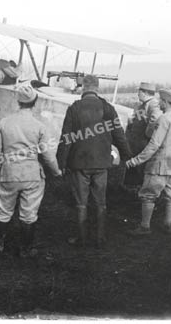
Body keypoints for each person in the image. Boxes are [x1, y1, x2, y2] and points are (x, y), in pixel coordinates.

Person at [56, 75, 131, 248]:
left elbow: (66, 139)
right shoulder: (108, 108)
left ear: (83, 88)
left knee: (81, 203)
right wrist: (128, 155)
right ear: (97, 88)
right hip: (101, 163)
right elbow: (119, 135)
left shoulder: (74, 108)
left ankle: (81, 238)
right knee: (100, 202)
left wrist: (61, 163)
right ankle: (100, 238)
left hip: (79, 163)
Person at [0, 85, 62, 257]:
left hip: (8, 172)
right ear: (34, 103)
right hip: (32, 175)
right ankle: (26, 249)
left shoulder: (3, 123)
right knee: (29, 214)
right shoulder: (40, 127)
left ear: (18, 101)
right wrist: (56, 172)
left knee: (3, 211)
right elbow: (48, 156)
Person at [125, 88, 171, 236]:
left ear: (165, 102)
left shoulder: (164, 119)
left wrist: (135, 161)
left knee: (148, 195)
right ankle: (167, 226)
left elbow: (154, 144)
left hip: (159, 165)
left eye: (160, 101)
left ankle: (145, 227)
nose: (159, 103)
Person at [124, 82, 162, 185]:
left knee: (141, 170)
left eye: (139, 91)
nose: (138, 94)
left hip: (143, 143)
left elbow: (154, 121)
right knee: (133, 171)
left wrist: (147, 135)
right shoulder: (141, 105)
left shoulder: (153, 104)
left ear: (145, 93)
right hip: (136, 143)